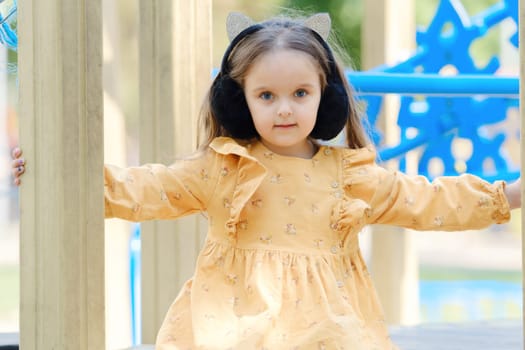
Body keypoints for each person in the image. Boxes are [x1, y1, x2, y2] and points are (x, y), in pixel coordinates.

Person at [11, 12, 522, 350]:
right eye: (266, 96)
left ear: (327, 97)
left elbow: (425, 199)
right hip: (236, 328)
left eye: (301, 93)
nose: (284, 108)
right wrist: (55, 174)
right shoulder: (224, 167)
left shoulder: (350, 175)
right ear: (239, 101)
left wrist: (509, 195)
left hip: (325, 332)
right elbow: (149, 188)